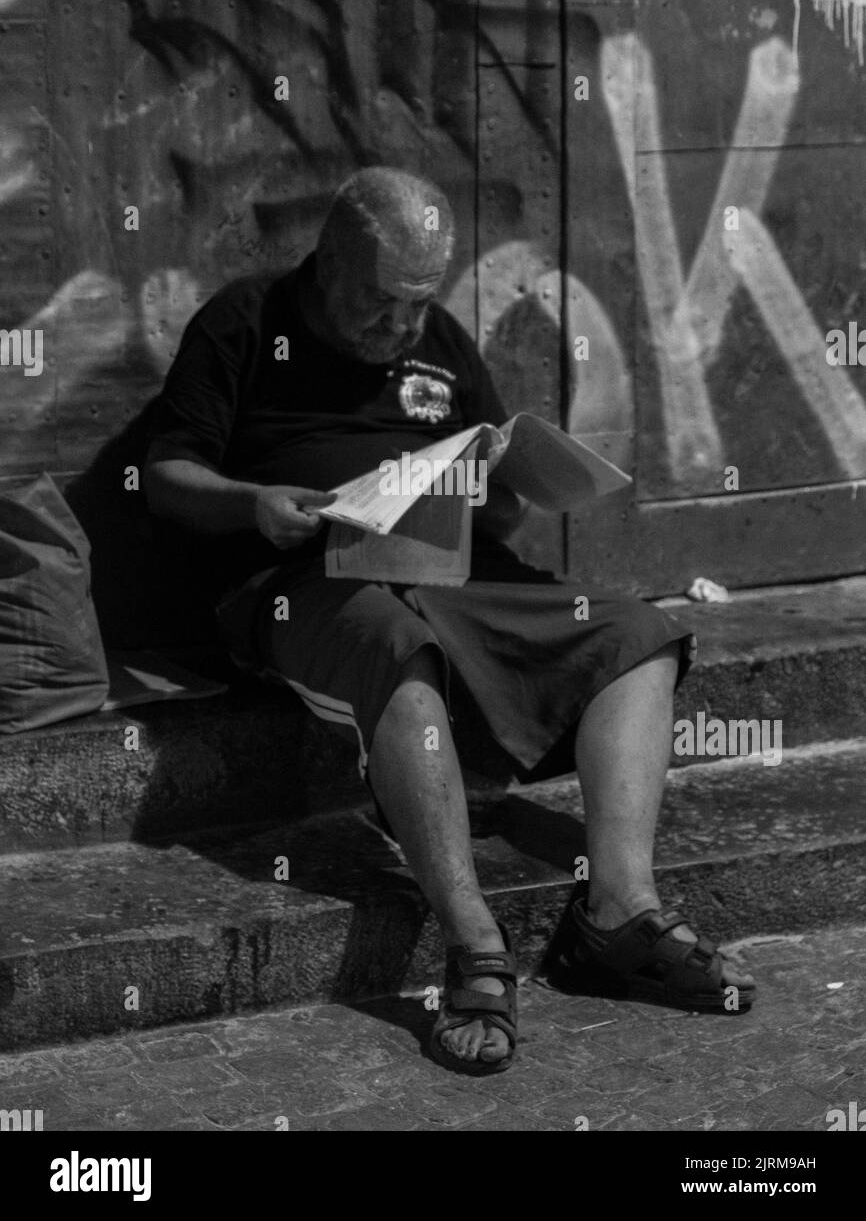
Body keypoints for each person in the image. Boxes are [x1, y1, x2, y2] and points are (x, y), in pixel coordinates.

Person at [144, 166, 756, 1076]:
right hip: (302, 572)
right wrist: (254, 501)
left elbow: (489, 485)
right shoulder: (244, 323)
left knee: (637, 635)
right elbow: (166, 476)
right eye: (381, 304)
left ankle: (618, 913)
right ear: (328, 264)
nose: (400, 327)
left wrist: (505, 491)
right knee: (400, 650)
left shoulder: (438, 344)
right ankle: (473, 943)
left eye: (419, 306)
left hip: (448, 565)